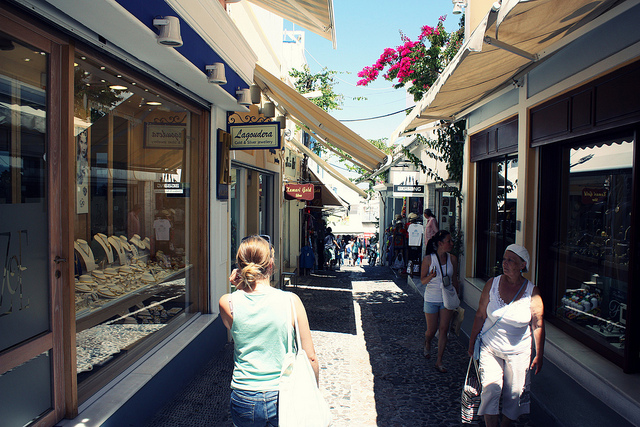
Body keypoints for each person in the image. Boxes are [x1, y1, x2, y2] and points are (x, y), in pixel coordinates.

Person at [219, 235, 319, 427]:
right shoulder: (291, 301)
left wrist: (239, 286)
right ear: (271, 266)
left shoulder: (227, 302)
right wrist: (314, 390)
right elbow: (311, 357)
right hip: (282, 394)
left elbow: (242, 323)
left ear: (239, 267)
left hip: (244, 395)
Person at [467, 244, 545, 427]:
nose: (505, 263)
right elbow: (480, 315)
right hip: (490, 348)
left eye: (511, 260)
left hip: (519, 352)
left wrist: (539, 354)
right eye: (504, 259)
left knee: (515, 395)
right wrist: (471, 342)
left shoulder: (532, 292)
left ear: (522, 265)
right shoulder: (491, 284)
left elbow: (538, 324)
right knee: (490, 391)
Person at [420, 230, 459, 372]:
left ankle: (439, 361)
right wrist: (431, 276)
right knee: (431, 330)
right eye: (449, 241)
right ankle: (427, 341)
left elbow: (455, 279)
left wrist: (456, 298)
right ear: (440, 243)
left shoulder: (452, 259)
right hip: (431, 299)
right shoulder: (428, 259)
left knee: (444, 330)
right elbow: (422, 281)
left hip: (446, 299)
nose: (451, 243)